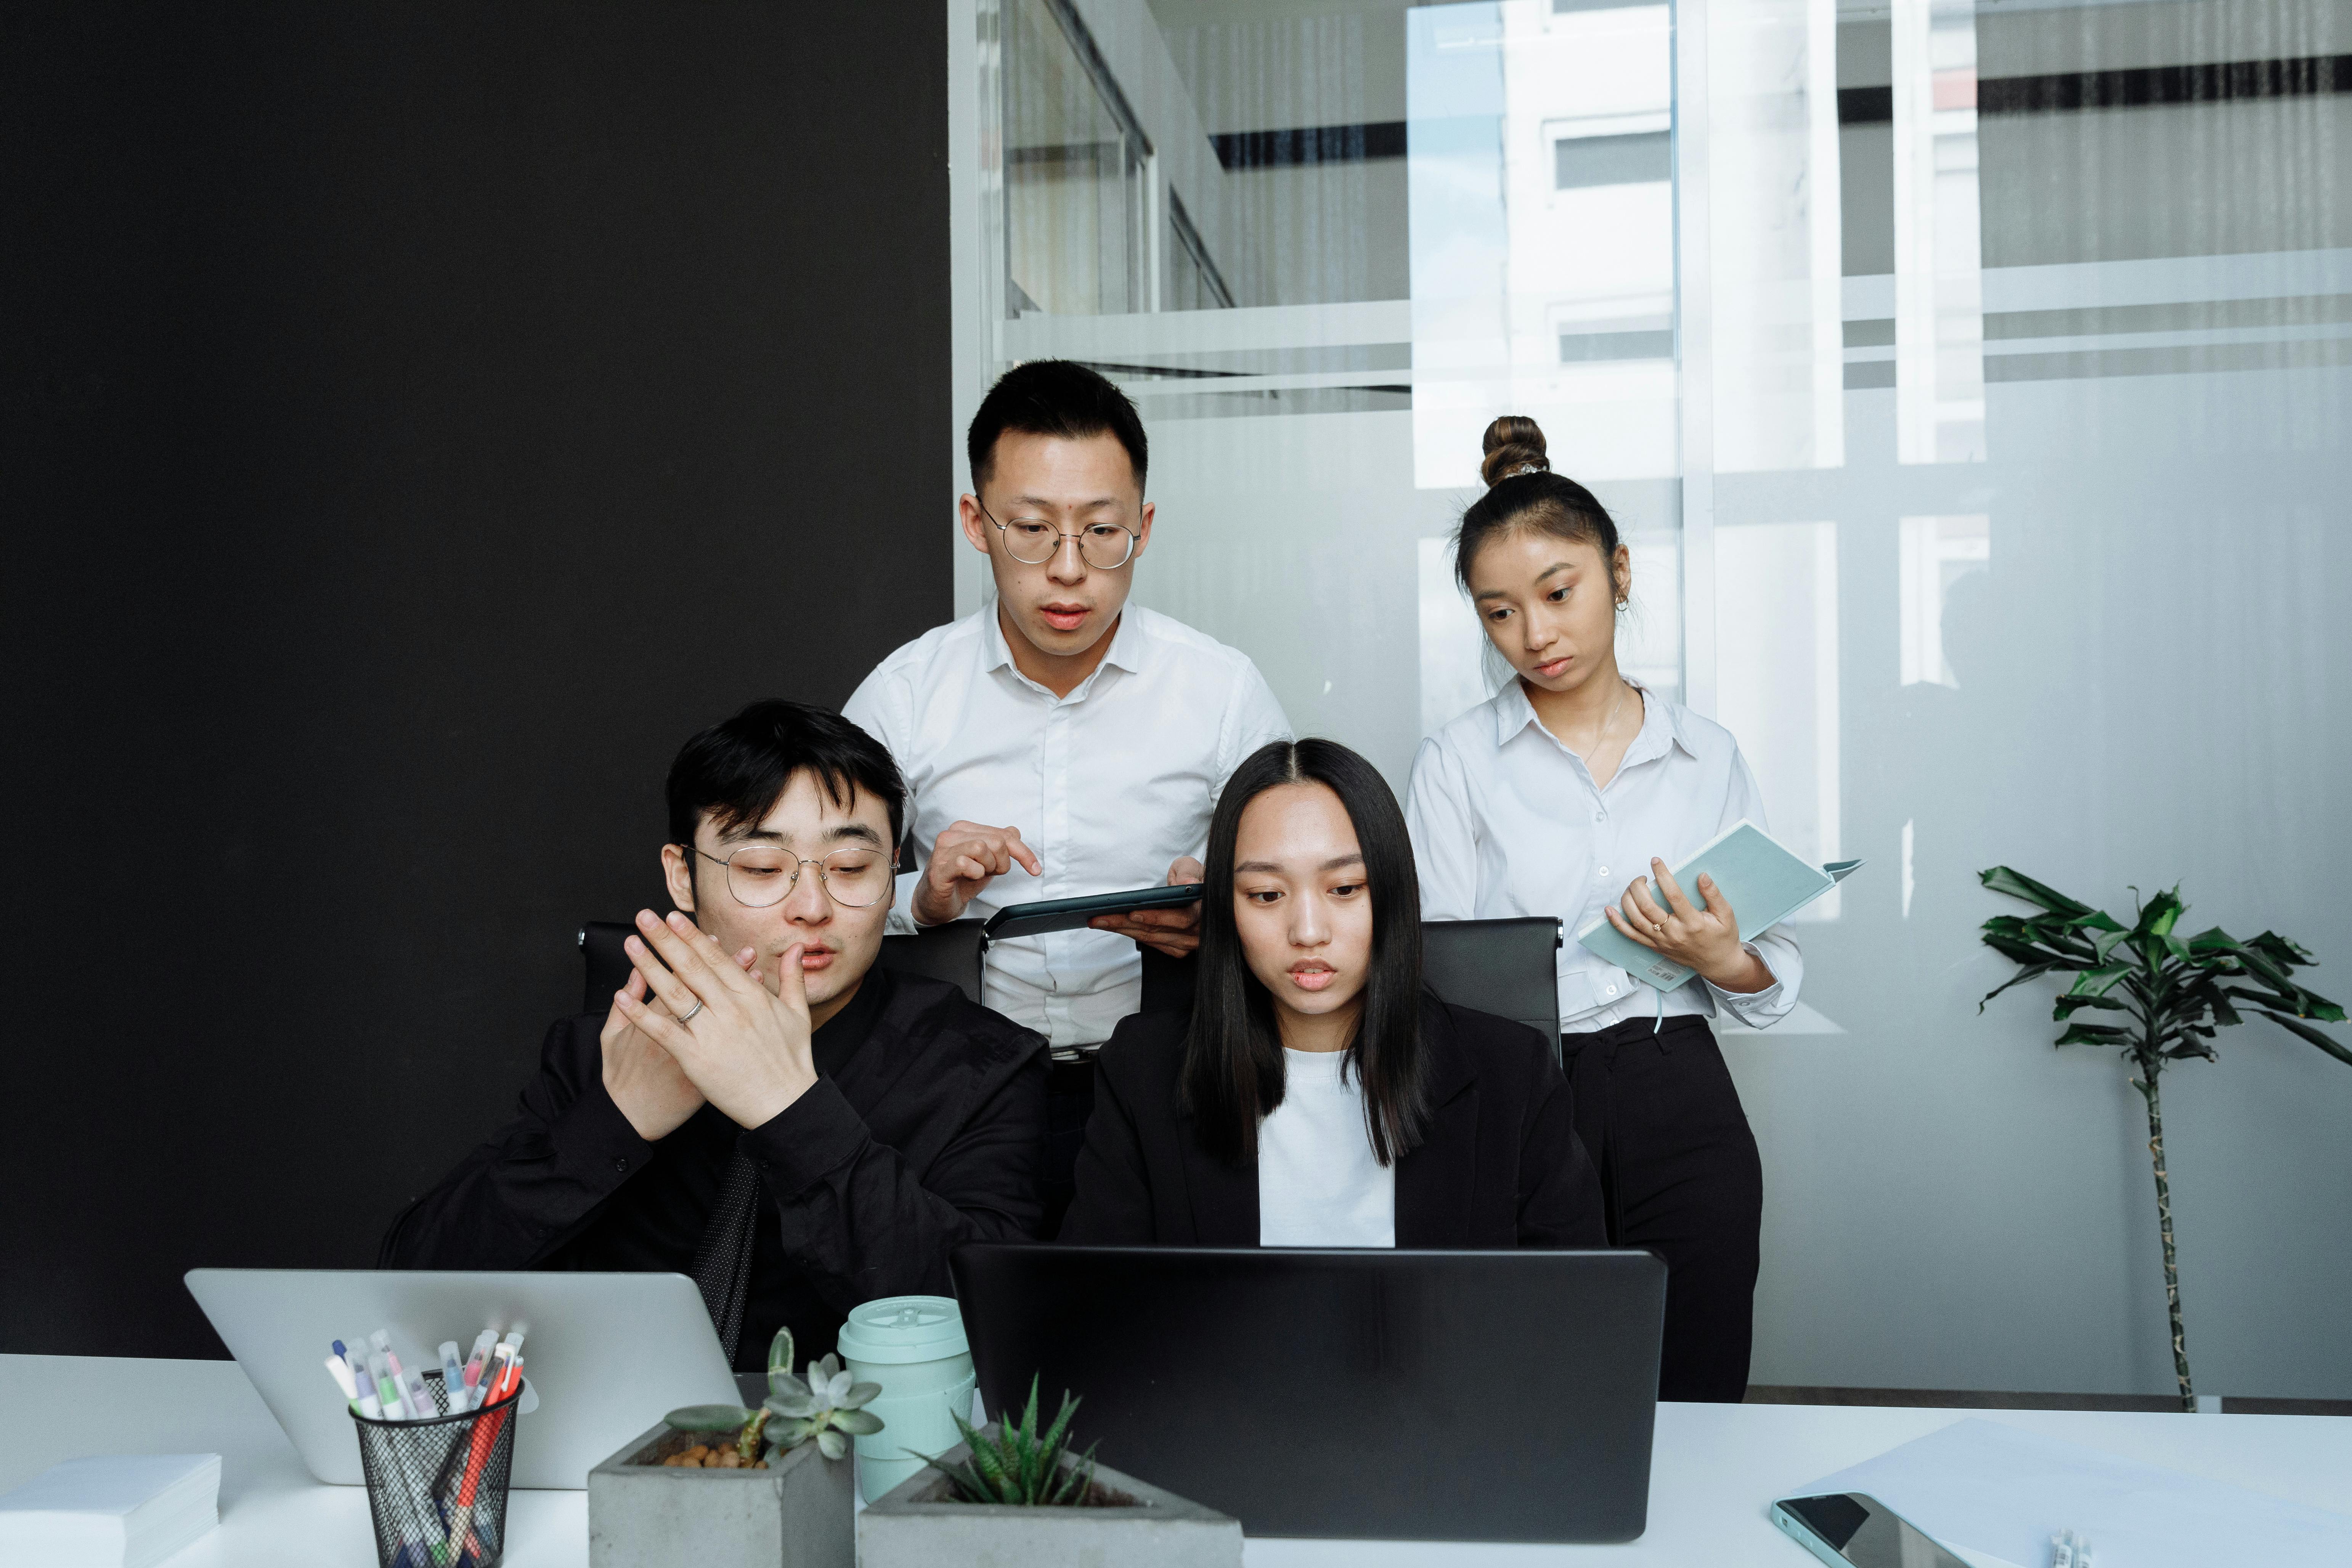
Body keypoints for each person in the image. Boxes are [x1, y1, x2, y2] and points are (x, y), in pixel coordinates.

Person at [380, 700, 1048, 1367]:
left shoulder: (983, 1067)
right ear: (682, 875)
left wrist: (791, 1110)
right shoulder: (604, 1051)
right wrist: (614, 1121)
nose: (812, 907)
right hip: (611, 1442)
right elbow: (415, 1290)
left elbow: (987, 1323)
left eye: (850, 868)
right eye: (761, 869)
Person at [1405, 415, 1803, 1402]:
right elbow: (1434, 978)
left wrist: (1720, 957)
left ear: (1618, 571)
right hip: (1524, 1100)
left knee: (1700, 1390)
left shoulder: (1707, 754)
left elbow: (1772, 977)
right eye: (1499, 612)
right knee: (1541, 1400)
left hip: (1682, 1095)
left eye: (1557, 592)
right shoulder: (1455, 763)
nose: (1533, 634)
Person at [842, 360, 1292, 1229]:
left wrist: (1226, 911)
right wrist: (921, 899)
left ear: (1145, 527)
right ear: (976, 521)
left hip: (1173, 1079)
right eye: (1033, 530)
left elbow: (1313, 886)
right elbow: (809, 893)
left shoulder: (1222, 690)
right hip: (960, 1088)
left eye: (1100, 532)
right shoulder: (906, 695)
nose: (1068, 570)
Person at [1060, 738, 1606, 1248]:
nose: (1307, 930)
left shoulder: (1512, 1072)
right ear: (1227, 906)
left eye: (1344, 889)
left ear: (1394, 892)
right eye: (1266, 894)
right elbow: (1098, 1318)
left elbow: (1577, 1314)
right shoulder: (1142, 1071)